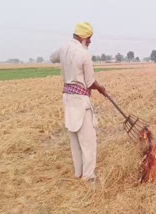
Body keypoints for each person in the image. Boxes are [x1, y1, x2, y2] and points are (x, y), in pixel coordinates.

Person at [50, 22, 106, 182]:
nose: (90, 42)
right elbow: (90, 83)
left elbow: (52, 58)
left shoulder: (63, 48)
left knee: (74, 137)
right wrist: (101, 88)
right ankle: (88, 177)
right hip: (81, 101)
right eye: (89, 38)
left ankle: (78, 173)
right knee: (88, 141)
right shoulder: (84, 54)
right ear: (82, 37)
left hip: (68, 98)